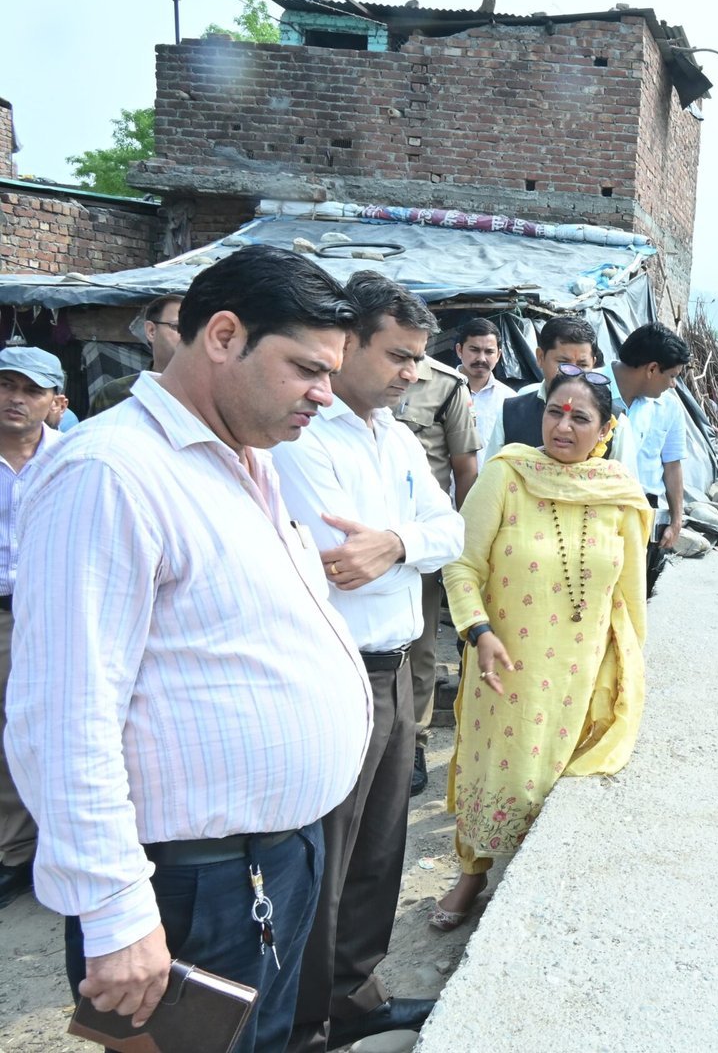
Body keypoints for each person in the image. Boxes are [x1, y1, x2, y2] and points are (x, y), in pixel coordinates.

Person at [5, 245, 372, 1052]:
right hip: (194, 881)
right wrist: (115, 911)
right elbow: (64, 716)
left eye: (331, 373)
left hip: (275, 856)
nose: (324, 394)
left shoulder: (247, 457)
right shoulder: (111, 474)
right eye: (306, 368)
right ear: (224, 336)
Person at [273, 271, 462, 1053]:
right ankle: (306, 1020)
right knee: (329, 850)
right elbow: (338, 559)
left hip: (396, 660)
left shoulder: (397, 438)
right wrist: (401, 545)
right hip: (334, 665)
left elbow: (450, 531)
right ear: (346, 343)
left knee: (381, 845)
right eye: (398, 355)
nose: (412, 373)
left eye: (418, 359)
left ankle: (354, 994)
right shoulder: (305, 438)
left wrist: (397, 542)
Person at [429, 368, 650, 931]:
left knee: (558, 774)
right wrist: (478, 631)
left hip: (581, 668)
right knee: (496, 770)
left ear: (605, 429)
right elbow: (462, 564)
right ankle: (472, 873)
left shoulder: (621, 494)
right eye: (555, 412)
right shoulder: (506, 475)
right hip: (503, 664)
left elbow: (629, 596)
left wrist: (628, 667)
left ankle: (533, 883)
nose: (563, 427)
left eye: (580, 418)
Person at [393, 356, 480, 795]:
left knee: (421, 648)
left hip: (420, 544)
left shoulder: (446, 386)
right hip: (355, 537)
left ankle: (413, 743)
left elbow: (465, 470)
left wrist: (461, 548)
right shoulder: (340, 369)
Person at [0, 346, 65, 910]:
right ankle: (16, 851)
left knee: (61, 726)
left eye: (30, 390)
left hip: (58, 612)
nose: (15, 399)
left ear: (55, 402)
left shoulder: (75, 457)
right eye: (5, 385)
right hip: (3, 614)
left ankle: (59, 845)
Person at [480, 315, 635, 473]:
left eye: (582, 364)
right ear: (540, 357)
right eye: (563, 363)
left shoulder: (615, 421)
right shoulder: (511, 412)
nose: (572, 373)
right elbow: (491, 476)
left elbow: (625, 484)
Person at [611, 322, 691, 597]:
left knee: (632, 596)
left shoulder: (668, 407)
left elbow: (672, 465)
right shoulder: (588, 392)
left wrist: (676, 520)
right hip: (595, 510)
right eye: (672, 376)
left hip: (643, 513)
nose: (673, 384)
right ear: (652, 368)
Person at [91, 294, 184, 415]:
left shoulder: (206, 394)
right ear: (151, 331)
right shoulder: (115, 395)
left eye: (195, 329)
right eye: (177, 327)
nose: (188, 334)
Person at [454, 318, 515, 470]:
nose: (481, 358)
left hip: (493, 483)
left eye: (489, 352)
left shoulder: (510, 400)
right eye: (474, 350)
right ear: (459, 350)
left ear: (499, 355)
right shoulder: (441, 392)